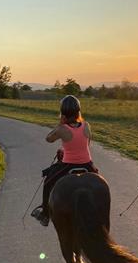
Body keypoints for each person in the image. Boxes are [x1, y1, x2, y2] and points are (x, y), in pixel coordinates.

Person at [31, 95, 97, 226]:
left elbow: (48, 139)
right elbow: (86, 144)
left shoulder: (62, 129)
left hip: (68, 165)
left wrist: (60, 125)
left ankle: (45, 214)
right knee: (98, 182)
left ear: (63, 113)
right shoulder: (86, 125)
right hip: (87, 164)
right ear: (78, 110)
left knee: (48, 182)